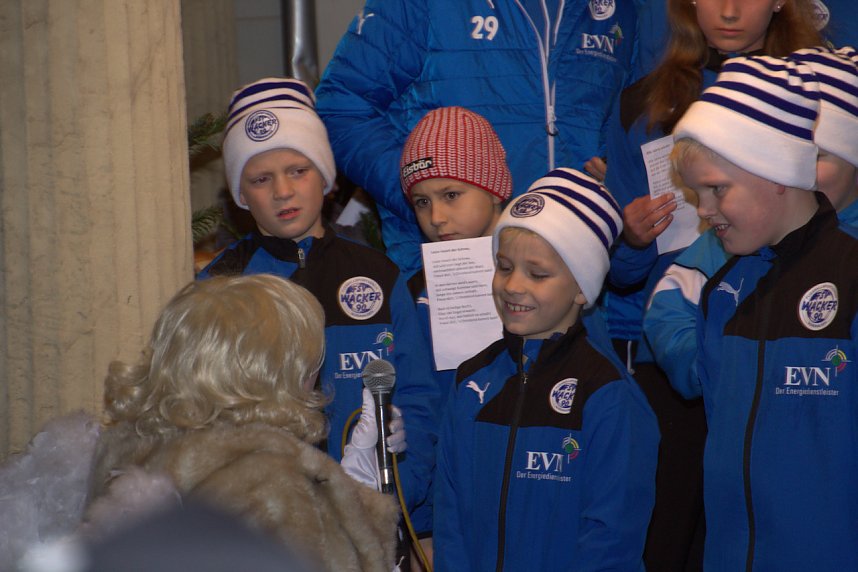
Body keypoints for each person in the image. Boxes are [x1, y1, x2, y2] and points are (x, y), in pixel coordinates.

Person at [597, 2, 822, 568]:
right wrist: (630, 239)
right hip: (669, 352)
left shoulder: (821, 93)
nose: (726, 9)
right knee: (668, 533)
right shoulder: (645, 104)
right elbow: (619, 278)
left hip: (786, 338)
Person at [1, 275, 402, 572]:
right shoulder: (270, 479)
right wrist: (357, 498)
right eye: (311, 363)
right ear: (276, 372)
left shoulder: (124, 447)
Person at [196, 78, 440, 528]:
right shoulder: (219, 288)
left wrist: (399, 489)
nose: (283, 192)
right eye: (261, 179)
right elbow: (196, 414)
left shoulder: (379, 277)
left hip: (371, 515)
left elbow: (419, 398)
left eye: (298, 170)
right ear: (240, 194)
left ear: (326, 178)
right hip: (262, 526)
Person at [669, 54, 858, 570]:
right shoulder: (724, 292)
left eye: (716, 189)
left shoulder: (850, 277)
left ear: (776, 171)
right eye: (695, 192)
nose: (703, 210)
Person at [433, 169, 659, 571]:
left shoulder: (607, 394)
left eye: (537, 274)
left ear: (581, 287)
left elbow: (611, 539)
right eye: (503, 267)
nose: (513, 286)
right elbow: (451, 518)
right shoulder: (472, 381)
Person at [314, 0, 641, 279]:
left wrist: (618, 199)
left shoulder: (619, 8)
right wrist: (424, 196)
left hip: (575, 272)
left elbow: (631, 122)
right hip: (453, 275)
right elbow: (342, 108)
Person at [645, 45, 858, 399]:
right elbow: (668, 306)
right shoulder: (733, 236)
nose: (802, 169)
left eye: (818, 157)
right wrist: (721, 367)